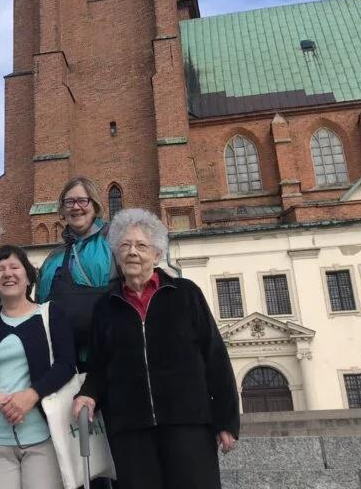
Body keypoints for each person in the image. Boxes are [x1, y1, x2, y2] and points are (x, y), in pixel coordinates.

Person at [72, 209, 240, 489]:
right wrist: (88, 395)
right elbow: (100, 366)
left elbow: (215, 357)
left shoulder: (185, 293)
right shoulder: (106, 306)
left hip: (188, 423)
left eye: (141, 245)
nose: (132, 252)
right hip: (130, 429)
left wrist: (226, 420)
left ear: (158, 253)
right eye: (124, 246)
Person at [0, 245, 76, 489]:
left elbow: (66, 364)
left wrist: (31, 395)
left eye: (15, 267)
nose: (7, 273)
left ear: (28, 276)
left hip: (43, 440)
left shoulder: (50, 314)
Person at [36, 177, 119, 365]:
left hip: (109, 354)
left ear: (95, 205)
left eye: (83, 200)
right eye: (69, 202)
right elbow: (40, 306)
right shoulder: (52, 259)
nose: (76, 207)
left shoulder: (114, 242)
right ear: (63, 210)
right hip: (64, 361)